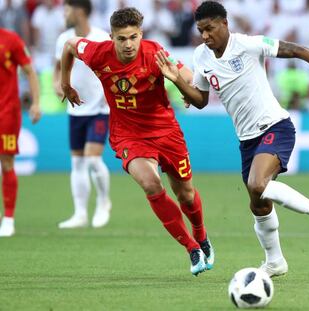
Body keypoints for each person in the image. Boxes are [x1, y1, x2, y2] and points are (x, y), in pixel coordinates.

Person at [155, 1, 309, 277]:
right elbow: (201, 100)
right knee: (258, 203)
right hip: (247, 140)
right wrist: (177, 80)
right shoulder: (201, 56)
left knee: (258, 184)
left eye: (209, 29)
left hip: (275, 126)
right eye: (200, 30)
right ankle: (275, 262)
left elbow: (299, 50)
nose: (205, 36)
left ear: (224, 24)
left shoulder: (248, 44)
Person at [60, 7, 214, 276]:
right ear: (112, 37)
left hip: (166, 131)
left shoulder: (155, 53)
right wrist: (65, 83)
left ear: (140, 34)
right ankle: (191, 249)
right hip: (127, 134)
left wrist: (185, 88)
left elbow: (187, 75)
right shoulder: (97, 53)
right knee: (151, 184)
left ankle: (201, 236)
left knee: (186, 195)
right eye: (122, 39)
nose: (128, 44)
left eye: (133, 37)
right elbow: (70, 45)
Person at [54, 0, 112, 229]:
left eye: (67, 8)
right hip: (75, 109)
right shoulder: (63, 39)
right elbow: (58, 69)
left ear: (80, 10)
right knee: (77, 163)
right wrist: (58, 86)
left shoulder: (100, 37)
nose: (65, 13)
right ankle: (80, 213)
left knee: (92, 158)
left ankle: (103, 202)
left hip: (99, 108)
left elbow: (112, 69)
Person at [0, 27, 41, 237]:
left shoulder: (11, 40)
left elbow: (30, 71)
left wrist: (36, 103)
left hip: (6, 112)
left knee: (7, 163)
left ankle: (8, 218)